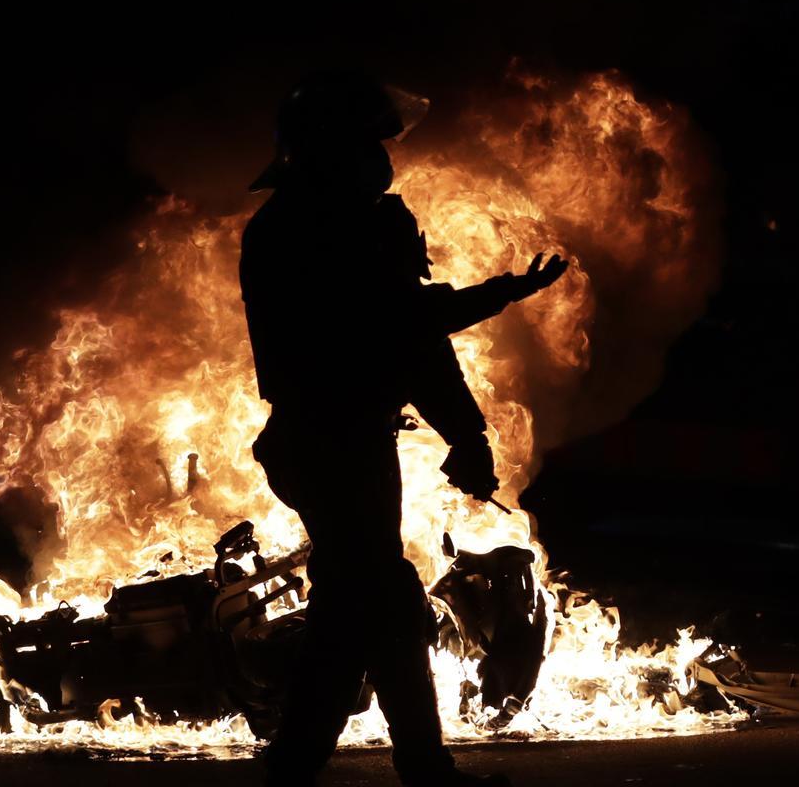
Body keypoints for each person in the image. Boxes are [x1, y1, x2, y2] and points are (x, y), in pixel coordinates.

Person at [239, 69, 568, 787]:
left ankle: (412, 767)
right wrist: (499, 296)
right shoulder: (317, 230)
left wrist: (467, 431)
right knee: (365, 602)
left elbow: (410, 342)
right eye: (368, 142)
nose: (383, 158)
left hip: (343, 439)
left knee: (377, 598)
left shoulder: (311, 223)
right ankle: (315, 770)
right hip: (331, 443)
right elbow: (403, 327)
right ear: (331, 148)